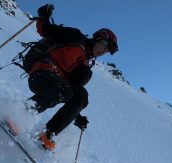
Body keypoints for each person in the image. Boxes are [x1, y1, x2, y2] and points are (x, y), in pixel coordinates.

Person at [27, 4, 118, 150]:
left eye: (107, 51)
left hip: (56, 86)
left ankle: (47, 134)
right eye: (104, 47)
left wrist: (77, 115)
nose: (104, 52)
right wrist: (44, 16)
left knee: (81, 95)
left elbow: (71, 93)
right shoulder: (76, 38)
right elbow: (46, 30)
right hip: (41, 74)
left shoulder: (84, 66)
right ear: (98, 39)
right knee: (65, 89)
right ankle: (22, 112)